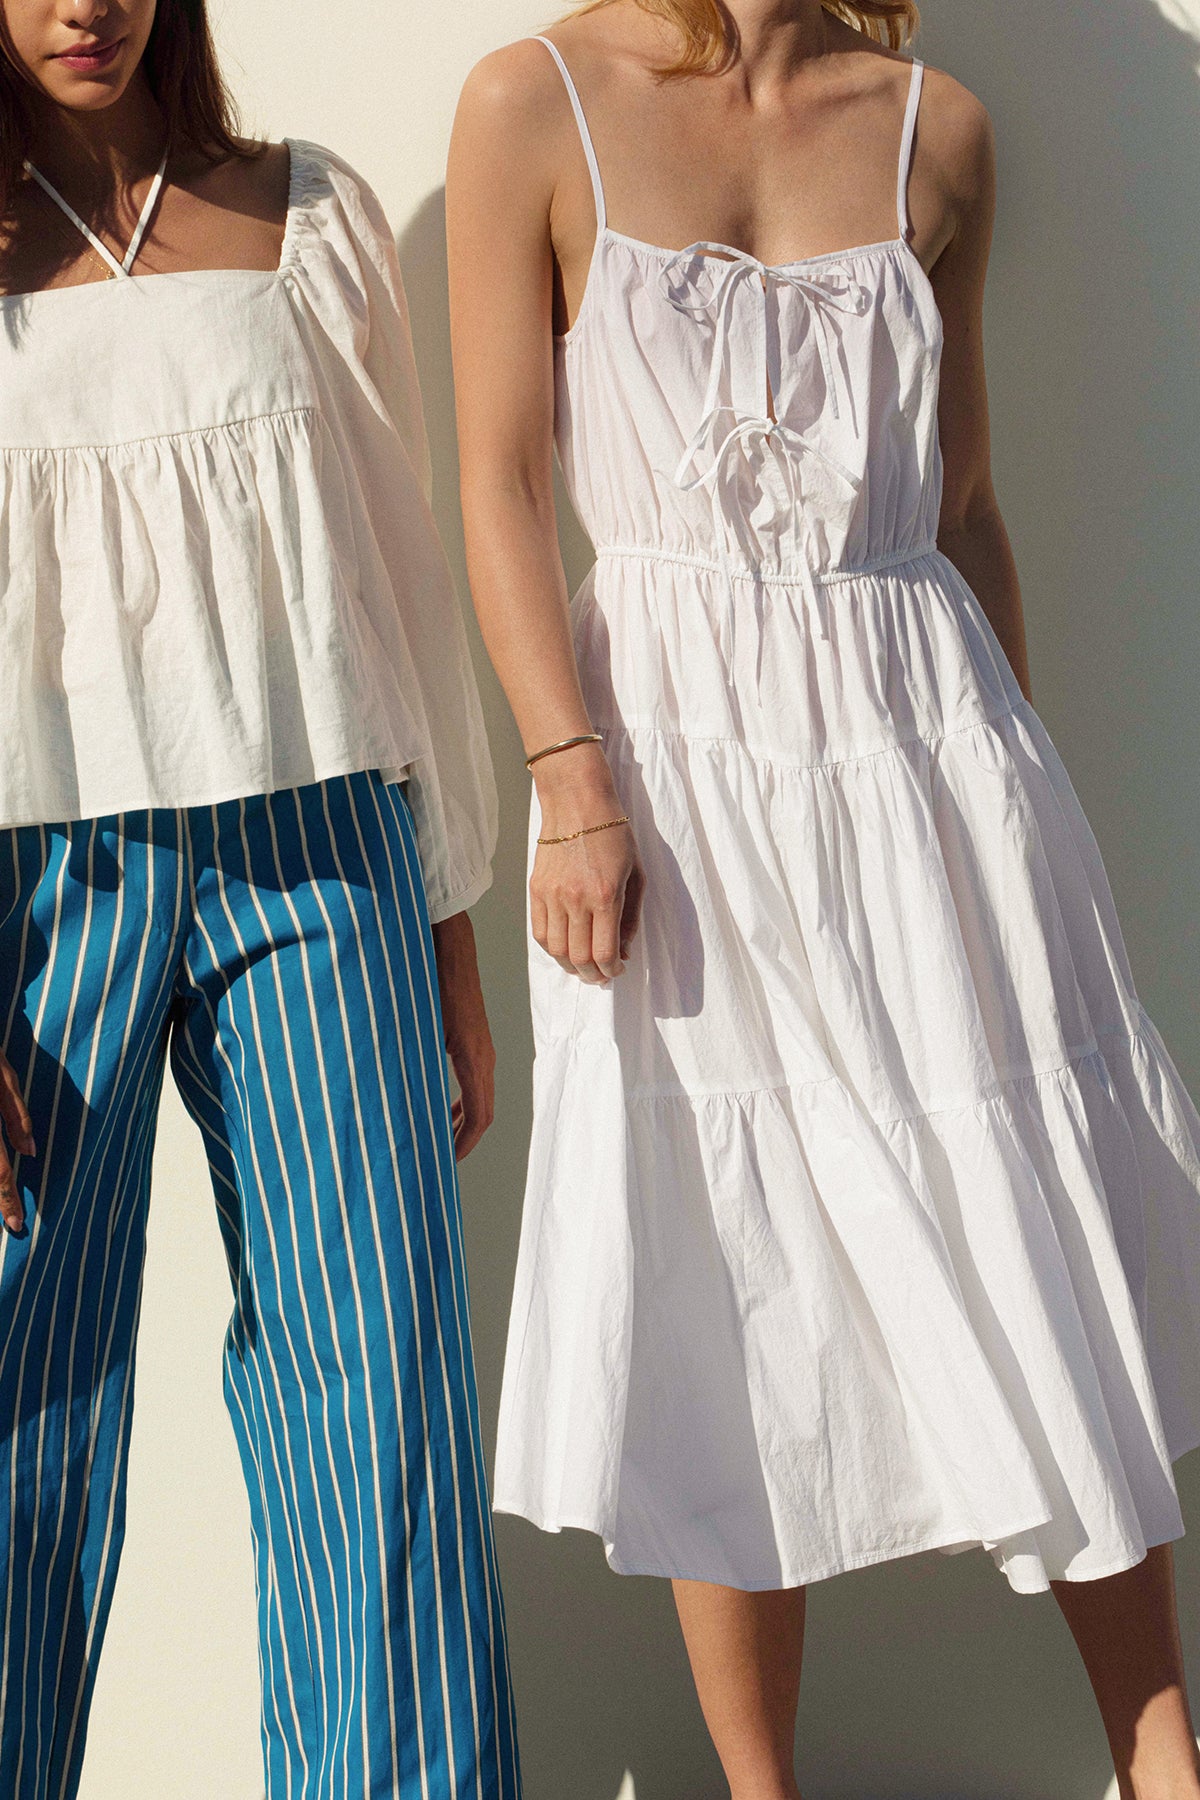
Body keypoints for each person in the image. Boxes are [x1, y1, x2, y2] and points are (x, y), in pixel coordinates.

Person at [445, 1, 1200, 1795]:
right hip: (669, 767)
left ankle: (1164, 1758)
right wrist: (569, 779)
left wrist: (1018, 796)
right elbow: (500, 479)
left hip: (928, 752)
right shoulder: (532, 103)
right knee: (721, 1246)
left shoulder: (939, 128)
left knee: (1029, 1222)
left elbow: (968, 498)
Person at [0, 2, 521, 1796]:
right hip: (32, 877)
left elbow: (398, 584)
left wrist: (447, 920)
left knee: (379, 1391)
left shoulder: (311, 217)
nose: (85, 4)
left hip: (322, 854)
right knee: (19, 1399)